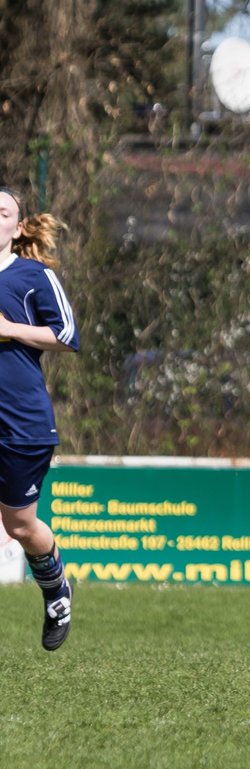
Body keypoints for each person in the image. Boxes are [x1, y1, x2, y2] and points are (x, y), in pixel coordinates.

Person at [0, 186, 79, 651]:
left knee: (20, 526)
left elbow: (67, 334)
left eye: (2, 211)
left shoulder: (32, 276)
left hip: (22, 422)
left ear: (19, 226)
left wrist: (9, 329)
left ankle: (55, 590)